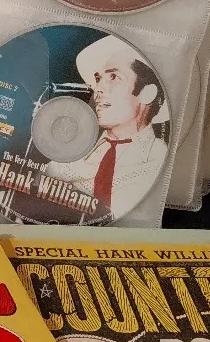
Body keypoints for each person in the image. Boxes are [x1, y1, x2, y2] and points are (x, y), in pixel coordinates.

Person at [41, 35, 169, 218]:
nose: (97, 89)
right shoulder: (74, 153)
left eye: (114, 77)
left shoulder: (160, 160)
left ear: (147, 93)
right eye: (98, 79)